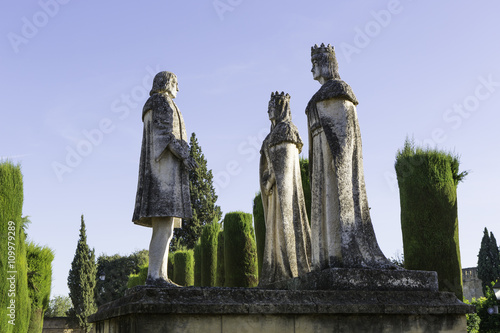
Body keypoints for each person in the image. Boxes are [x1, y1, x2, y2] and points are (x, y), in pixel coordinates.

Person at [306, 44, 394, 270]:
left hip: (331, 158)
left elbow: (344, 135)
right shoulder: (320, 95)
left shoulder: (339, 90)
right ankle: (326, 258)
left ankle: (338, 256)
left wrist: (340, 160)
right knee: (323, 206)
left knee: (334, 202)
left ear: (326, 63)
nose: (312, 69)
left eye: (315, 64)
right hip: (320, 155)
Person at [132, 71, 197, 286]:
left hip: (162, 172)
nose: (178, 88)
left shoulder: (158, 103)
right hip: (163, 175)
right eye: (176, 83)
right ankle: (155, 276)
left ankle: (160, 275)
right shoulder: (161, 102)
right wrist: (185, 155)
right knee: (164, 227)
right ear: (168, 83)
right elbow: (166, 137)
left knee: (166, 228)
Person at [259, 91, 311, 285]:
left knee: (285, 228)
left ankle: (288, 272)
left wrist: (270, 181)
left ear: (281, 107)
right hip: (273, 195)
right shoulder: (271, 136)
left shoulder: (287, 130)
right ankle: (276, 271)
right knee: (275, 232)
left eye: (272, 106)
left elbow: (284, 167)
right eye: (268, 107)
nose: (268, 110)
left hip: (283, 194)